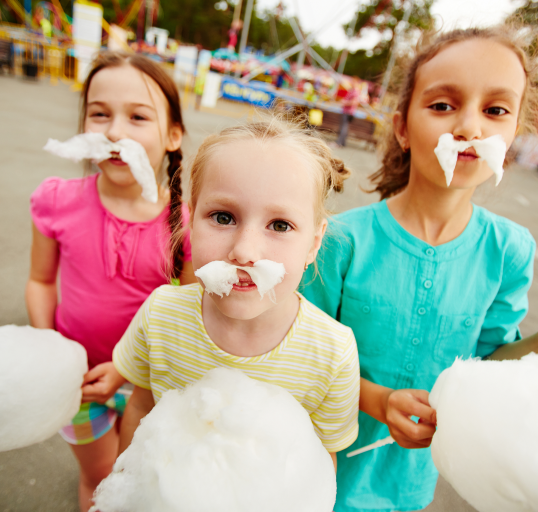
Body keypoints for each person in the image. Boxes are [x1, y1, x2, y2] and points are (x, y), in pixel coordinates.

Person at [299, 26, 538, 512]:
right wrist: (378, 401)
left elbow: (487, 368)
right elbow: (302, 356)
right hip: (313, 470)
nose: (470, 127)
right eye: (443, 105)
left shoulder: (510, 250)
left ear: (514, 133)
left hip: (408, 489)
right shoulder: (340, 239)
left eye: (495, 110)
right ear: (403, 128)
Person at [113, 117, 360, 474]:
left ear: (314, 242)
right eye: (223, 217)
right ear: (191, 219)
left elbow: (321, 460)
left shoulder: (332, 353)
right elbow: (138, 409)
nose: (244, 251)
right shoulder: (161, 314)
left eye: (279, 225)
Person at [26, 51, 196, 512]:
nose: (115, 131)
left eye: (138, 117)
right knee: (99, 478)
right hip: (77, 382)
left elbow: (182, 314)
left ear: (173, 135)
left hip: (148, 384)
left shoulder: (186, 226)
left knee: (138, 478)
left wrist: (124, 369)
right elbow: (41, 281)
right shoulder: (56, 200)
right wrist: (48, 348)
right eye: (99, 114)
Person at [336, 82, 359, 147]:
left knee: (344, 128)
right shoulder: (352, 91)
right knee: (344, 127)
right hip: (346, 111)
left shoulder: (355, 92)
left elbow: (354, 102)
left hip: (348, 112)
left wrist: (345, 102)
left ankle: (340, 143)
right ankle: (342, 143)